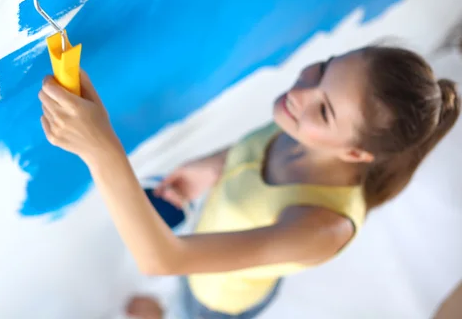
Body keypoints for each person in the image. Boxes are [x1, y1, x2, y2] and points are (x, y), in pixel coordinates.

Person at [37, 46, 460, 319]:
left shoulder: (323, 227)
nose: (302, 92)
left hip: (222, 302)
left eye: (326, 109)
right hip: (202, 257)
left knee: (195, 308)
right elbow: (252, 151)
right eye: (325, 68)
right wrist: (211, 166)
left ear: (354, 154)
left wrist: (101, 149)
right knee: (186, 287)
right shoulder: (301, 126)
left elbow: (161, 260)